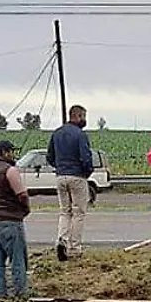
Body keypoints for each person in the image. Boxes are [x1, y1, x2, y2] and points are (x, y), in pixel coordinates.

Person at [0, 140, 31, 298]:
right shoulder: (10, 171)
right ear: (5, 152)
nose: (14, 154)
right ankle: (21, 295)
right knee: (18, 261)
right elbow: (22, 194)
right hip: (10, 221)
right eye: (12, 151)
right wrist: (25, 209)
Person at [47, 104, 94, 261]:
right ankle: (74, 247)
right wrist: (86, 172)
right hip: (77, 176)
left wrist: (59, 167)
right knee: (78, 212)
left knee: (64, 211)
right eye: (84, 116)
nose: (85, 120)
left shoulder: (57, 133)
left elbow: (49, 157)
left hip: (61, 176)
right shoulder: (80, 135)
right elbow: (86, 157)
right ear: (78, 116)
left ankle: (62, 240)